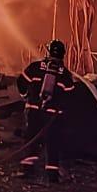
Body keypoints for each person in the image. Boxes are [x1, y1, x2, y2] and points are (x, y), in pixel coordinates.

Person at [16, 40, 78, 183]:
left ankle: (27, 169)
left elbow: (20, 82)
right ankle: (52, 175)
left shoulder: (34, 67)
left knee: (31, 139)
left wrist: (26, 96)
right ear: (63, 54)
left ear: (48, 52)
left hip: (33, 111)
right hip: (53, 115)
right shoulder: (66, 75)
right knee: (53, 142)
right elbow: (70, 96)